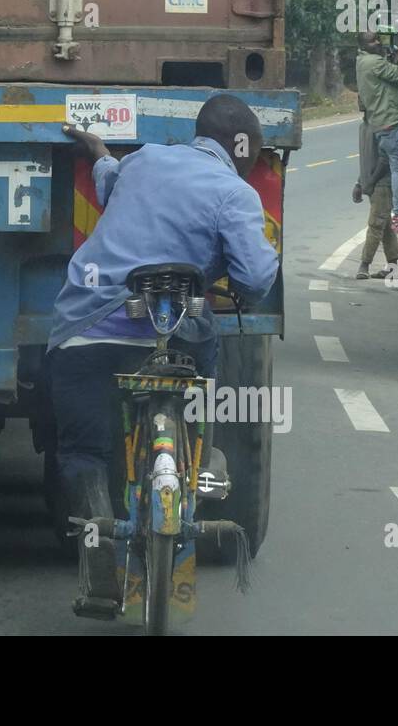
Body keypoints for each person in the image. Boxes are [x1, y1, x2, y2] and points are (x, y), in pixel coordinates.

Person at [47, 94, 279, 619]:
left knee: (83, 450)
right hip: (177, 338)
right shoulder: (234, 192)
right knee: (205, 341)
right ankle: (202, 448)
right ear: (241, 150)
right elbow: (256, 279)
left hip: (89, 329)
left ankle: (97, 539)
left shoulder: (146, 158)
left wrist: (98, 147)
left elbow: (108, 178)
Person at [356, 31, 398, 233]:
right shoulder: (375, 63)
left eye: (378, 39)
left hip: (379, 124)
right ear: (363, 44)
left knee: (389, 165)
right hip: (391, 122)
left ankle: (368, 188)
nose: (377, 42)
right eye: (373, 41)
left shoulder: (362, 62)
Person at [352, 117, 398, 280]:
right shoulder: (363, 126)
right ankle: (393, 269)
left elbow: (385, 159)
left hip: (382, 184)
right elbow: (367, 160)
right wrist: (359, 183)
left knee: (376, 224)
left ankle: (364, 265)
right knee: (385, 226)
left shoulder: (380, 125)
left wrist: (370, 182)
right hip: (372, 183)